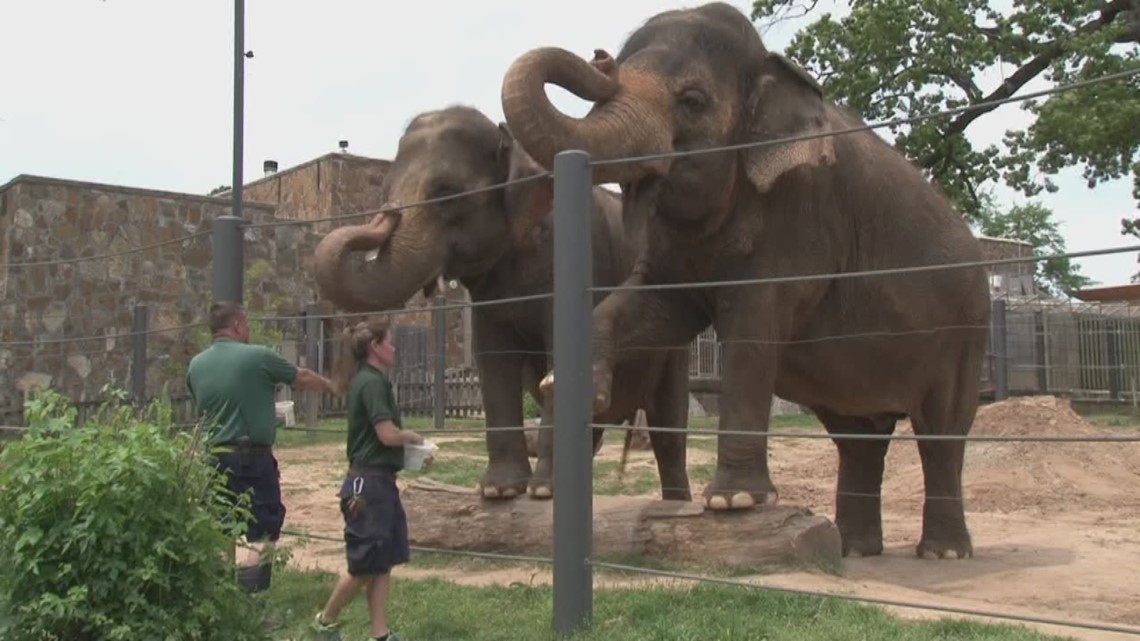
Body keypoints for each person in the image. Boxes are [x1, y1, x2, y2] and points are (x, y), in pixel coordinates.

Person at [186, 301, 337, 594]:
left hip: (213, 458)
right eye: (246, 325)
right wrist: (333, 386)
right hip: (251, 457)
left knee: (221, 526)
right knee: (263, 528)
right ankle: (252, 600)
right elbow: (302, 377)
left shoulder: (196, 365)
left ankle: (223, 598)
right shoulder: (259, 356)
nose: (248, 331)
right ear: (237, 325)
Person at [311, 319, 426, 641]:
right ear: (375, 347)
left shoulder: (369, 379)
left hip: (379, 481)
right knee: (364, 565)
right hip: (368, 486)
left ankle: (380, 634)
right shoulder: (371, 383)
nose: (394, 347)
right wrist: (413, 438)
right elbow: (386, 434)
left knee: (382, 561)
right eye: (389, 341)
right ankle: (325, 621)